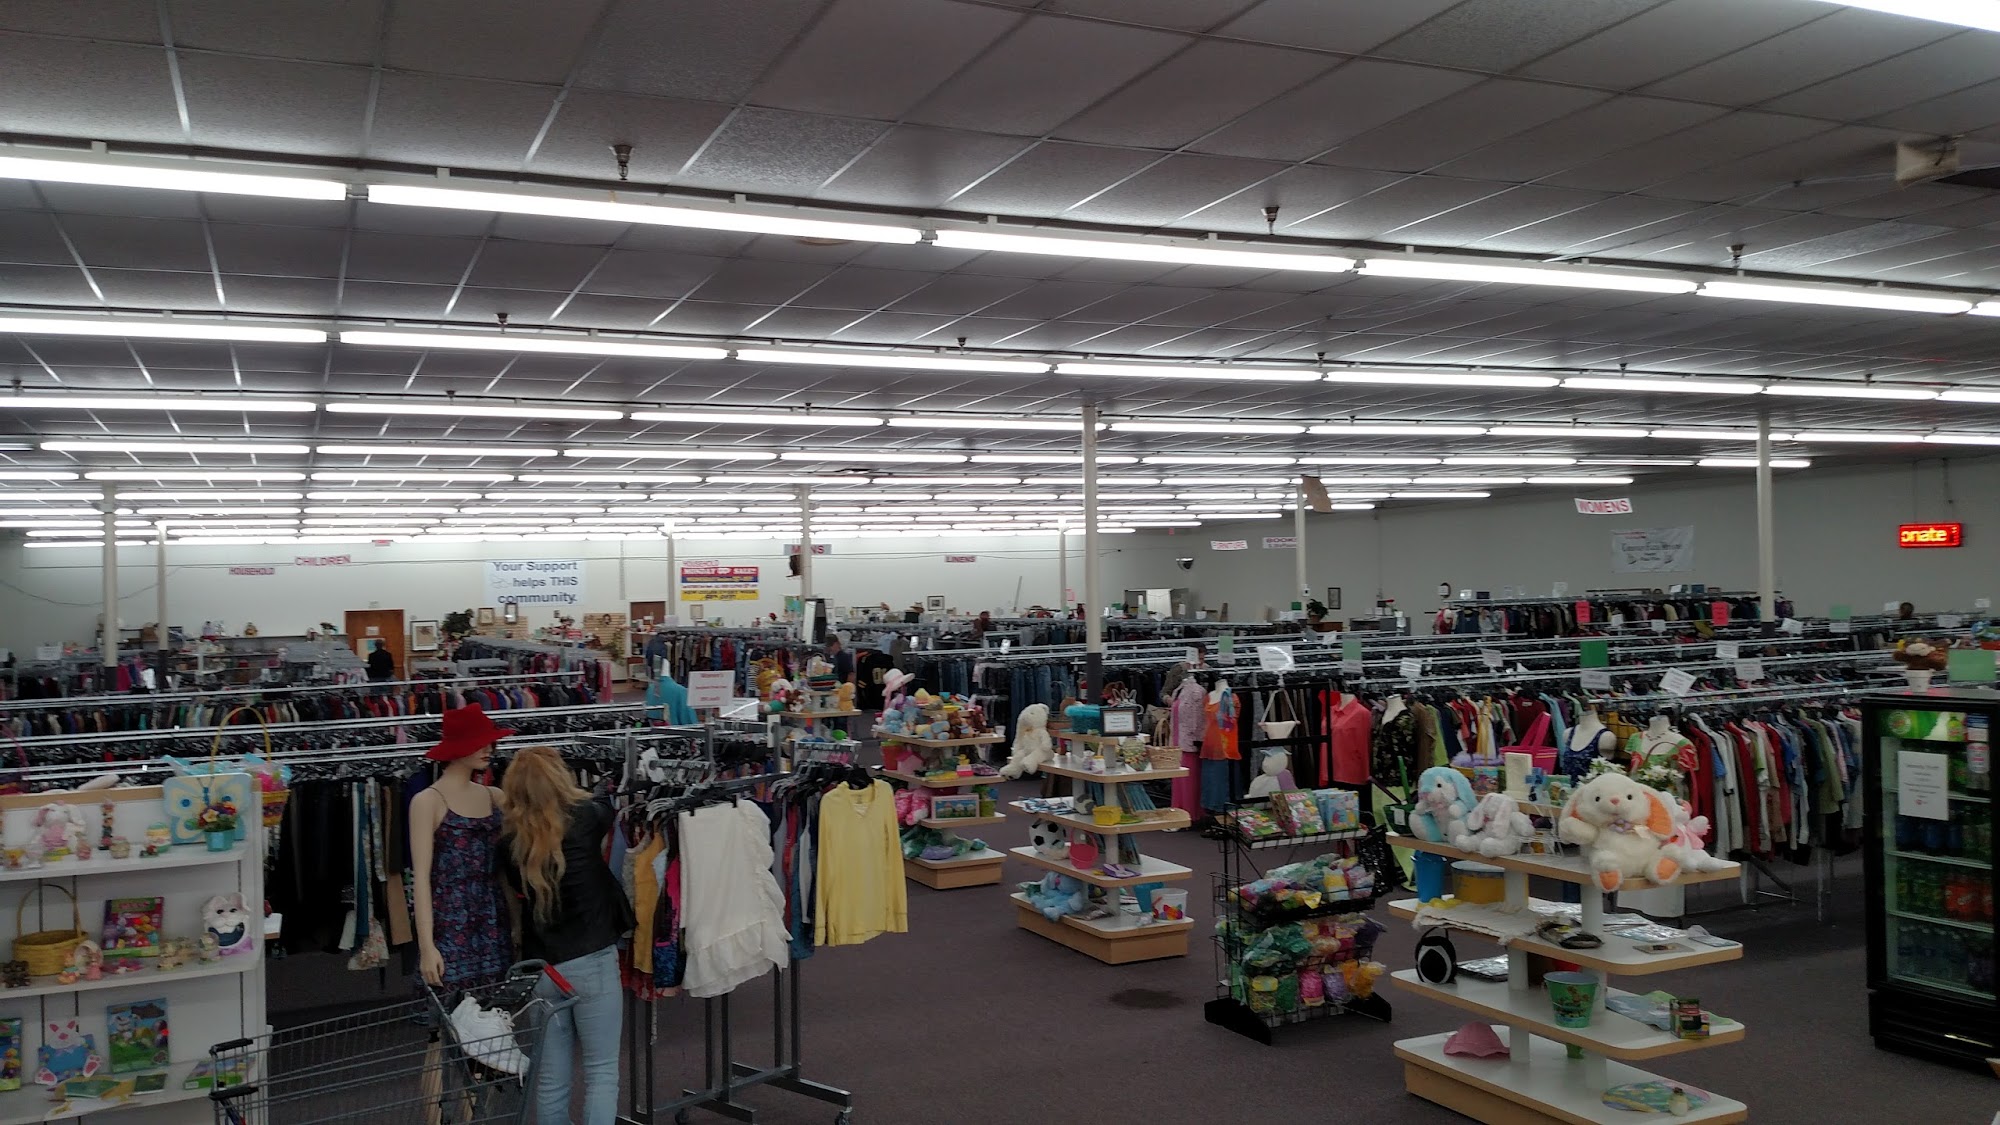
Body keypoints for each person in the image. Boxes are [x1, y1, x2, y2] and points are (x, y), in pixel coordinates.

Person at [500, 746, 633, 1125]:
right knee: (601, 1072)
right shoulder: (586, 818)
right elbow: (605, 805)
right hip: (592, 960)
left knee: (551, 1078)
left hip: (542, 969)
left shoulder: (508, 846)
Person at [410, 705, 514, 991]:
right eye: (479, 743)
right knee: (451, 1008)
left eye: (490, 742)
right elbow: (421, 879)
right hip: (448, 921)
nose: (489, 749)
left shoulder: (495, 797)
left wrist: (516, 922)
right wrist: (427, 947)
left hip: (493, 920)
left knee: (497, 1011)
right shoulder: (428, 802)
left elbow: (504, 871)